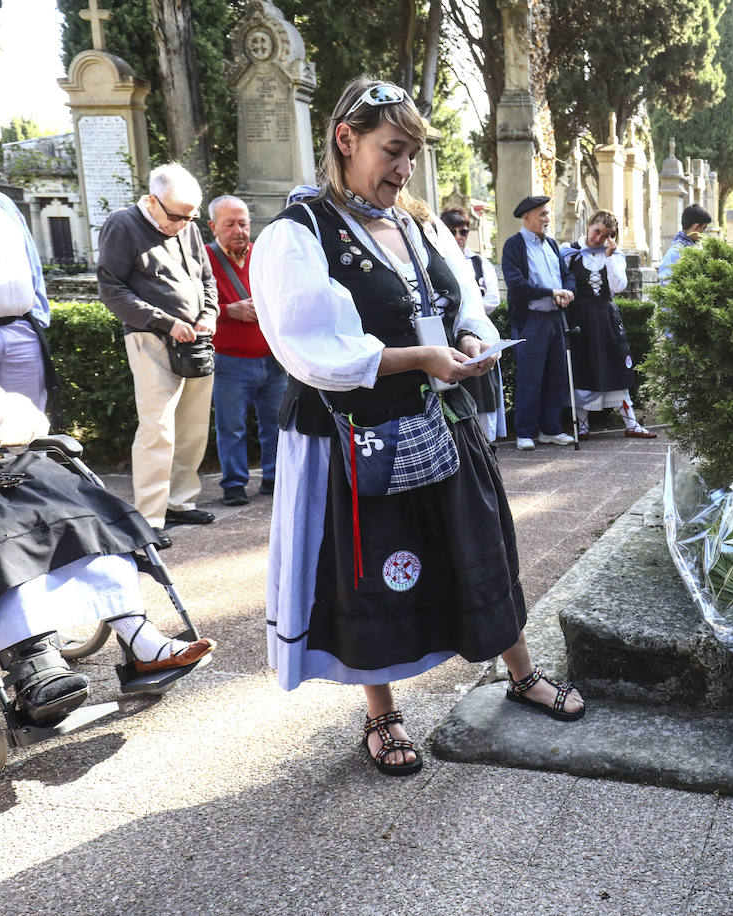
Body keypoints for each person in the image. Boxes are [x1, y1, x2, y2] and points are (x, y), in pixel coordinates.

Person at [250, 79, 584, 776]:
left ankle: (519, 672)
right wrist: (420, 358)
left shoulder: (415, 225)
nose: (403, 171)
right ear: (346, 139)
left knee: (482, 543)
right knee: (372, 562)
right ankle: (382, 712)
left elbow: (463, 301)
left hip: (442, 415)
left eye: (411, 157)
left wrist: (464, 337)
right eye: (391, 152)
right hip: (358, 430)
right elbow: (316, 351)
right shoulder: (298, 236)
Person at [0, 387, 214, 727]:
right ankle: (36, 664)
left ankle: (140, 638)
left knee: (85, 523)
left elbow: (27, 417)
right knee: (8, 546)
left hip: (12, 475)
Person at [96, 162, 219, 548]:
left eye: (190, 217)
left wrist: (209, 314)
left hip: (196, 339)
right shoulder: (122, 224)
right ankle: (150, 516)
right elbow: (112, 290)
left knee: (193, 426)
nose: (183, 224)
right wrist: (165, 322)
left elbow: (207, 278)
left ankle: (181, 502)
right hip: (151, 340)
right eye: (177, 216)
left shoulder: (188, 225)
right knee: (158, 428)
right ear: (152, 200)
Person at [205, 195, 286, 507]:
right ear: (213, 227)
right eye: (230, 224)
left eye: (244, 223)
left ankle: (275, 477)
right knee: (231, 428)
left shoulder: (263, 255)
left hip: (272, 359)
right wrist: (229, 311)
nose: (239, 230)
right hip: (230, 360)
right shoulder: (205, 259)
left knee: (276, 425)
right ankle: (234, 484)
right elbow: (194, 309)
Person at [561, 210, 655, 440]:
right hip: (580, 319)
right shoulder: (570, 252)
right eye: (597, 231)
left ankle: (631, 423)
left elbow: (618, 286)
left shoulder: (614, 255)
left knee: (616, 368)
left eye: (605, 235)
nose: (598, 238)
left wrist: (611, 256)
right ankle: (582, 425)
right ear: (589, 225)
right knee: (582, 368)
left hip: (606, 319)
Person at [500, 195, 577, 451]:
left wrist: (568, 290)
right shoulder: (514, 245)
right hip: (531, 319)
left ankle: (550, 429)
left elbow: (566, 275)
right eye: (542, 214)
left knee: (556, 376)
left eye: (547, 213)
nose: (547, 218)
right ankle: (525, 432)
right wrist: (551, 293)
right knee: (530, 377)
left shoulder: (552, 245)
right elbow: (517, 284)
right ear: (527, 217)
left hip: (555, 318)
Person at [440, 207, 506, 442]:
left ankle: (487, 441)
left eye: (463, 231)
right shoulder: (438, 261)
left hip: (476, 333)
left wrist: (468, 310)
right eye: (452, 231)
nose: (458, 236)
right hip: (450, 339)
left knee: (483, 390)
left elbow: (491, 299)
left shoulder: (479, 263)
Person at [0, 193, 55, 414]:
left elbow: (31, 259)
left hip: (21, 330)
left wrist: (37, 319)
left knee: (27, 427)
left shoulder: (4, 202)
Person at [657, 203, 712, 284]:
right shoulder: (677, 252)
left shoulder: (689, 248)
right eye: (704, 228)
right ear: (696, 227)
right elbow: (666, 284)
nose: (704, 233)